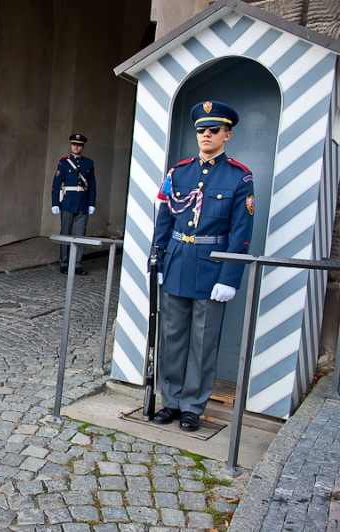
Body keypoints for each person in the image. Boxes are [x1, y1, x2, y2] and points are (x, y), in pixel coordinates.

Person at [150, 101, 254, 432]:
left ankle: (193, 405)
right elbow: (164, 220)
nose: (205, 135)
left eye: (213, 130)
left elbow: (241, 232)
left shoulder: (240, 176)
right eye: (200, 130)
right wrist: (159, 257)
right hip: (178, 261)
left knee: (203, 340)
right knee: (172, 336)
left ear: (227, 134)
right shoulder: (178, 172)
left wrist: (230, 277)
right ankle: (171, 401)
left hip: (213, 267)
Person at [50, 134, 96, 275]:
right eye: (74, 144)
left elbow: (92, 184)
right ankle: (64, 262)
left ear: (82, 147)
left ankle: (77, 264)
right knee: (65, 233)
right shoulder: (63, 163)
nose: (76, 147)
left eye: (79, 145)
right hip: (68, 201)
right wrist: (55, 203)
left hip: (83, 201)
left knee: (80, 235)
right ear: (71, 145)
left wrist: (92, 202)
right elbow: (56, 184)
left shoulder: (88, 163)